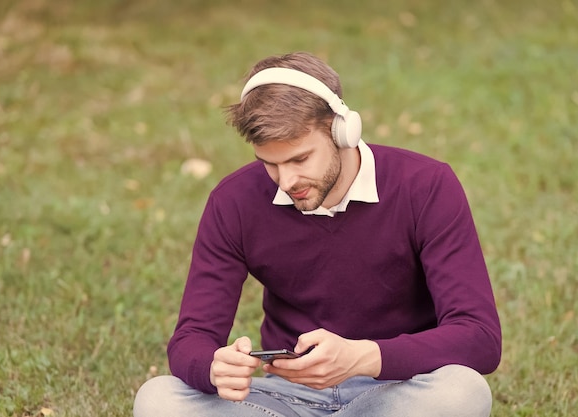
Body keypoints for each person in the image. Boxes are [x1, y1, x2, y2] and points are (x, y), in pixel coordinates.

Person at [133, 51, 502, 417]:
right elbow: (191, 336)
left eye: (299, 159)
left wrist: (362, 357)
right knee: (158, 399)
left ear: (342, 130)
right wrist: (212, 368)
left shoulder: (426, 186)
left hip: (396, 388)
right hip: (285, 396)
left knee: (461, 392)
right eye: (270, 164)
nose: (287, 181)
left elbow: (479, 336)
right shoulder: (233, 202)